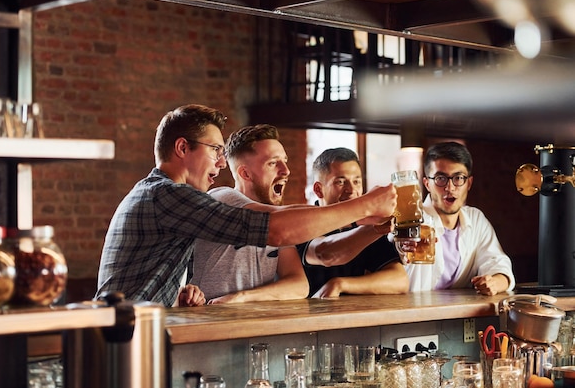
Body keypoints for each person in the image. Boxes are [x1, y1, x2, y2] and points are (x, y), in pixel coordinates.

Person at [96, 104, 397, 307]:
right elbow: (276, 229)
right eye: (214, 149)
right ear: (182, 148)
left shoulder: (165, 195)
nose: (219, 161)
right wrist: (367, 204)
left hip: (128, 328)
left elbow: (298, 233)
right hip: (119, 333)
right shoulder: (168, 195)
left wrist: (177, 294)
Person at [190, 125, 308, 304]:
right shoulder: (221, 198)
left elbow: (299, 285)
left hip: (252, 324)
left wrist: (242, 297)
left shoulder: (278, 223)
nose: (286, 170)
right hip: (208, 324)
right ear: (245, 173)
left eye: (285, 161)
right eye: (273, 163)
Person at [403, 141, 515, 295]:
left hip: (459, 314)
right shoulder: (412, 219)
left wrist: (494, 283)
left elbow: (498, 264)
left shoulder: (475, 219)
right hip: (413, 314)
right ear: (427, 184)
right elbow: (395, 240)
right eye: (440, 178)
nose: (450, 188)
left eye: (458, 178)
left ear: (468, 183)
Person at [297, 148, 409, 298]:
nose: (351, 190)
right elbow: (325, 253)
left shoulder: (366, 225)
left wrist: (341, 284)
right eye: (340, 182)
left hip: (353, 317)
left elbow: (399, 280)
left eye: (356, 181)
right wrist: (375, 229)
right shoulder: (303, 221)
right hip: (304, 317)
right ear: (318, 190)